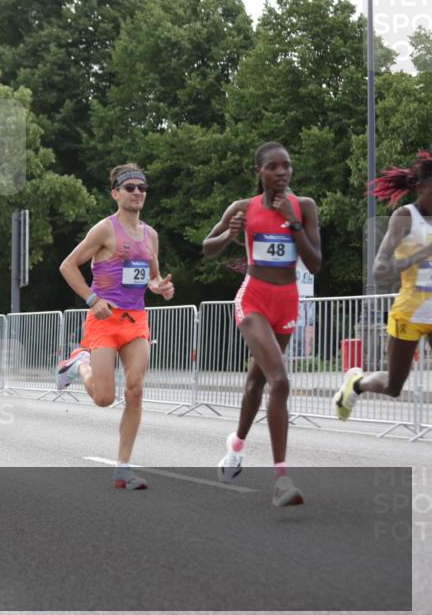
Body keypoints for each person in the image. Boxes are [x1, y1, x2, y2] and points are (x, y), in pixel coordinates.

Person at [202, 141, 322, 507]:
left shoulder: (304, 207)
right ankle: (281, 479)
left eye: (287, 166)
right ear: (260, 172)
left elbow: (315, 264)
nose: (283, 172)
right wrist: (231, 235)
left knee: (256, 383)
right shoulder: (243, 208)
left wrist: (295, 222)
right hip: (253, 299)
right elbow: (208, 246)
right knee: (280, 381)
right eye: (274, 166)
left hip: (286, 302)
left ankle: (235, 450)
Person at [56, 164, 175, 491]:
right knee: (105, 398)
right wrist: (92, 299)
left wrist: (160, 287)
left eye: (142, 187)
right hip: (104, 321)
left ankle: (124, 467)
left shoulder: (150, 235)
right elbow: (67, 265)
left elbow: (151, 277)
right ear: (115, 193)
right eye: (130, 187)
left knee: (135, 389)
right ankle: (78, 363)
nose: (138, 192)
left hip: (136, 321)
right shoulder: (104, 230)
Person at [334, 151, 432, 418]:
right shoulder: (405, 217)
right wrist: (419, 255)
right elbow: (379, 270)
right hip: (409, 313)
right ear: (422, 187)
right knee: (394, 386)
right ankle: (357, 384)